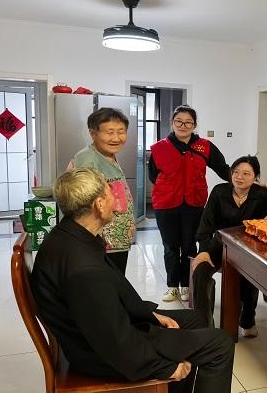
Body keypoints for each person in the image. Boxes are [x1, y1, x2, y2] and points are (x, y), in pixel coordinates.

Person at [31, 168, 235, 393]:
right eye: (111, 193)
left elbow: (105, 310)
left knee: (197, 319)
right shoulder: (83, 269)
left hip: (101, 332)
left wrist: (150, 314)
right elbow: (114, 341)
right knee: (221, 344)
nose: (116, 200)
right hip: (103, 355)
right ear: (99, 204)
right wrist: (164, 367)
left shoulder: (70, 235)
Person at [192, 155, 267, 336]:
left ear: (255, 177)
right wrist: (204, 250)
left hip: (248, 250)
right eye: (236, 172)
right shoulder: (219, 192)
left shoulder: (261, 195)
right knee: (200, 271)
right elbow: (205, 225)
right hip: (219, 245)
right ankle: (203, 327)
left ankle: (247, 320)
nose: (239, 177)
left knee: (250, 275)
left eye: (246, 173)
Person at [148, 105, 229, 302]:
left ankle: (186, 284)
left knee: (189, 245)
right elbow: (153, 176)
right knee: (170, 246)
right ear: (172, 123)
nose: (183, 126)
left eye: (188, 122)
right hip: (166, 204)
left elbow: (223, 168)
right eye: (179, 121)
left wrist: (245, 181)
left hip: (194, 204)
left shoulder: (204, 146)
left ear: (194, 125)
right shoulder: (159, 148)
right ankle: (172, 286)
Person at [70, 107, 134, 275]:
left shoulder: (108, 155)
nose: (116, 138)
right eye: (109, 132)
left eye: (121, 132)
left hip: (116, 241)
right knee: (107, 283)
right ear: (93, 133)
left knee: (116, 281)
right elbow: (84, 204)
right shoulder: (87, 159)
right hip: (102, 242)